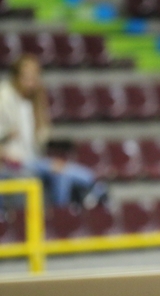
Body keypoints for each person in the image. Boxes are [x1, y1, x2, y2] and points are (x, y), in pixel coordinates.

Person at [0, 54, 107, 207]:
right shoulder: (3, 98)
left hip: (32, 161)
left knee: (68, 175)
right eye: (27, 76)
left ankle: (62, 213)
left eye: (35, 75)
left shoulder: (35, 102)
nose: (32, 81)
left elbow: (41, 139)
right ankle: (94, 189)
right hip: (13, 164)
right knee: (59, 170)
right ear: (16, 76)